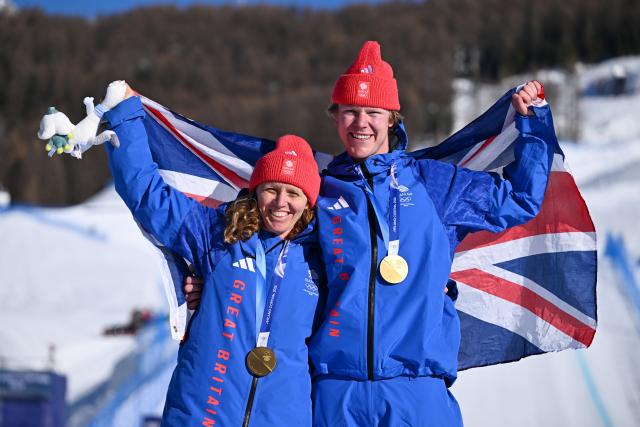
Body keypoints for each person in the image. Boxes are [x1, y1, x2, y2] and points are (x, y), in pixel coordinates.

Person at [184, 41, 554, 426]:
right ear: (336, 116)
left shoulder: (434, 185)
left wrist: (533, 125)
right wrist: (212, 284)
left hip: (416, 386)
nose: (361, 123)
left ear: (391, 118)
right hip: (336, 391)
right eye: (350, 112)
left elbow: (520, 199)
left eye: (372, 112)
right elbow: (268, 251)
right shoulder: (319, 195)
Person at [102, 81, 324, 426]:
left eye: (293, 193)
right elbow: (146, 195)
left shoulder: (321, 257)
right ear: (256, 191)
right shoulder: (217, 234)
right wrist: (126, 115)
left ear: (308, 202)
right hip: (202, 413)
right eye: (272, 190)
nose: (281, 203)